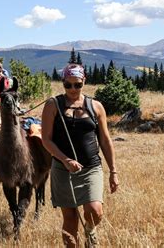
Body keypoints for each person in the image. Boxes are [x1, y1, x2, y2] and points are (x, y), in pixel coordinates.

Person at [41, 63, 119, 247]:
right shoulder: (53, 105)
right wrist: (65, 160)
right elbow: (46, 139)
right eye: (68, 85)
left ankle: (90, 230)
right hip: (62, 169)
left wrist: (113, 171)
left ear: (84, 81)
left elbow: (106, 141)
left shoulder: (96, 107)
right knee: (70, 218)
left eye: (77, 84)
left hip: (91, 167)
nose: (73, 89)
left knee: (95, 211)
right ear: (63, 83)